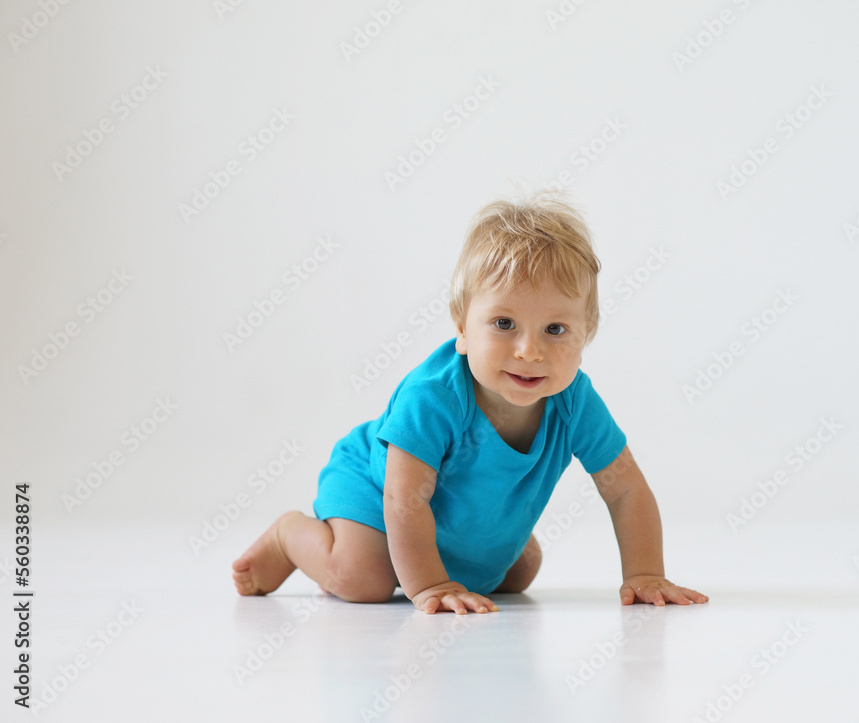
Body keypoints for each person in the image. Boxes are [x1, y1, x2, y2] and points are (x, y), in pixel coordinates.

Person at [233, 192, 708, 614]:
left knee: (520, 570)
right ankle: (290, 536)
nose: (529, 351)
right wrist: (430, 586)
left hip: (447, 522)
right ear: (462, 328)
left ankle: (450, 554)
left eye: (555, 329)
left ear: (585, 338)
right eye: (504, 324)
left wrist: (645, 574)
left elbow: (625, 490)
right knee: (364, 579)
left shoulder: (574, 403)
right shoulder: (434, 396)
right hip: (376, 490)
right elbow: (403, 499)